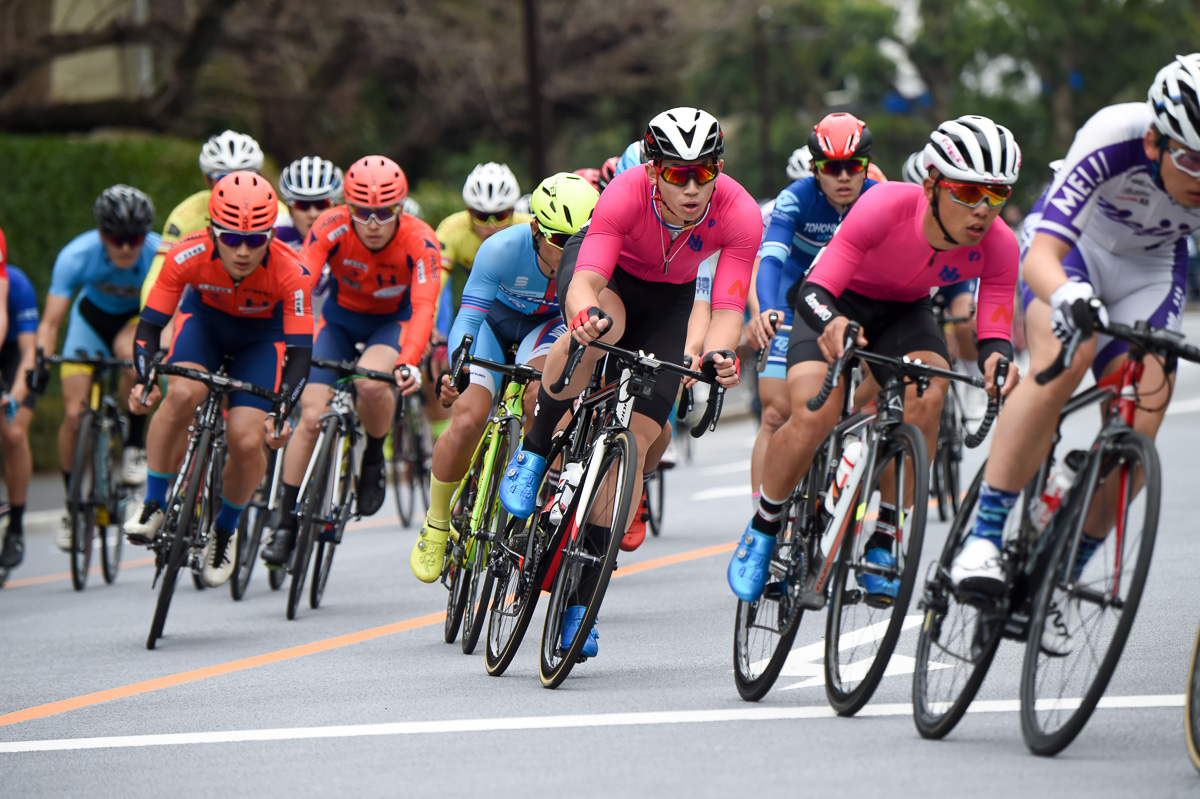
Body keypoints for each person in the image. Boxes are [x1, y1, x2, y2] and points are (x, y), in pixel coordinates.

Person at [949, 55, 1200, 654]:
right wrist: (1068, 295)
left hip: (1152, 270)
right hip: (1072, 250)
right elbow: (1041, 258)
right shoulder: (1114, 134)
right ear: (1154, 139)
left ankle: (1061, 578)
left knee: (1144, 418)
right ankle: (983, 538)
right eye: (1190, 158)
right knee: (1070, 350)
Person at [729, 115, 1024, 604]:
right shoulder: (883, 204)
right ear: (931, 184)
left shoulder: (999, 244)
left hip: (904, 313)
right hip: (835, 301)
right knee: (813, 414)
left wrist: (998, 361)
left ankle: (886, 535)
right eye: (968, 194)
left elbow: (994, 330)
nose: (983, 210)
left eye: (997, 195)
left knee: (929, 394)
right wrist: (832, 324)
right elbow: (818, 287)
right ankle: (765, 526)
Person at [499, 107, 759, 656]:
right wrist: (584, 316)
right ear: (653, 168)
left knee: (633, 452)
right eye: (676, 174)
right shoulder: (624, 193)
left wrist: (718, 355)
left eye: (703, 173)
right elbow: (586, 282)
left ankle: (577, 607)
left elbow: (729, 306)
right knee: (597, 331)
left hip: (669, 303)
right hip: (608, 276)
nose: (691, 188)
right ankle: (536, 450)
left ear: (718, 169)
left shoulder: (739, 212)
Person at [408, 172, 600, 581]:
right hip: (494, 328)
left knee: (538, 396)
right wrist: (456, 369)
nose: (573, 253)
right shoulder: (500, 249)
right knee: (468, 417)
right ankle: (438, 522)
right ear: (535, 229)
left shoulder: (593, 265)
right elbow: (469, 316)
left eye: (582, 241)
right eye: (561, 242)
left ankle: (533, 499)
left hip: (545, 330)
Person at [124, 172, 311, 588]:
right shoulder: (186, 254)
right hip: (204, 327)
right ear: (211, 232)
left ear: (270, 235)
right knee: (182, 392)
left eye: (255, 239)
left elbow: (300, 354)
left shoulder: (292, 271)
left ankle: (225, 529)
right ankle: (153, 501)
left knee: (246, 439)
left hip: (261, 341)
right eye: (230, 239)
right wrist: (145, 377)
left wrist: (281, 411)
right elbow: (150, 327)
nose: (243, 251)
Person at [261, 156, 439, 568]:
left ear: (400, 208)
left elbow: (424, 306)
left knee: (372, 383)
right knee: (310, 417)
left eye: (384, 212)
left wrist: (409, 361)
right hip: (338, 322)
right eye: (362, 212)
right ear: (346, 207)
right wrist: (291, 344)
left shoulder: (421, 239)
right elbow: (301, 285)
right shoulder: (330, 226)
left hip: (391, 325)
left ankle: (374, 457)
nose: (373, 222)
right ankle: (285, 522)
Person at [746, 113, 880, 507]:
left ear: (866, 166)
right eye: (831, 167)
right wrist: (767, 310)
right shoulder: (796, 198)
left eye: (852, 166)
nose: (843, 177)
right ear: (815, 168)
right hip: (793, 301)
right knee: (775, 413)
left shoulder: (876, 198)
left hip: (849, 302)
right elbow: (770, 260)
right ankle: (760, 518)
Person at [35, 186, 159, 553]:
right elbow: (51, 321)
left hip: (135, 321)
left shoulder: (156, 254)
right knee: (74, 415)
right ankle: (73, 510)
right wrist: (41, 360)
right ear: (101, 234)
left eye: (133, 239)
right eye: (115, 239)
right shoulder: (76, 254)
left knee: (127, 351)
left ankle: (135, 442)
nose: (124, 248)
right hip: (88, 322)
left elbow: (166, 317)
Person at [140, 130, 295, 308]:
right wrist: (152, 323)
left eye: (246, 176)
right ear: (208, 181)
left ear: (259, 177)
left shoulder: (279, 214)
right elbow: (159, 275)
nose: (236, 185)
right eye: (224, 178)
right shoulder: (185, 216)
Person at [900, 151, 981, 380]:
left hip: (954, 281)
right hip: (919, 283)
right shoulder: (902, 216)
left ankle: (975, 380)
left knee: (965, 322)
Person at [0, 266, 39, 569]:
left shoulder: (17, 284)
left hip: (16, 353)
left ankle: (15, 526)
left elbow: (29, 352)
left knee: (12, 433)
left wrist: (14, 392)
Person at [278, 156, 344, 245]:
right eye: (302, 205)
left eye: (321, 204)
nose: (313, 214)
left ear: (337, 207)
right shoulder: (270, 240)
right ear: (289, 210)